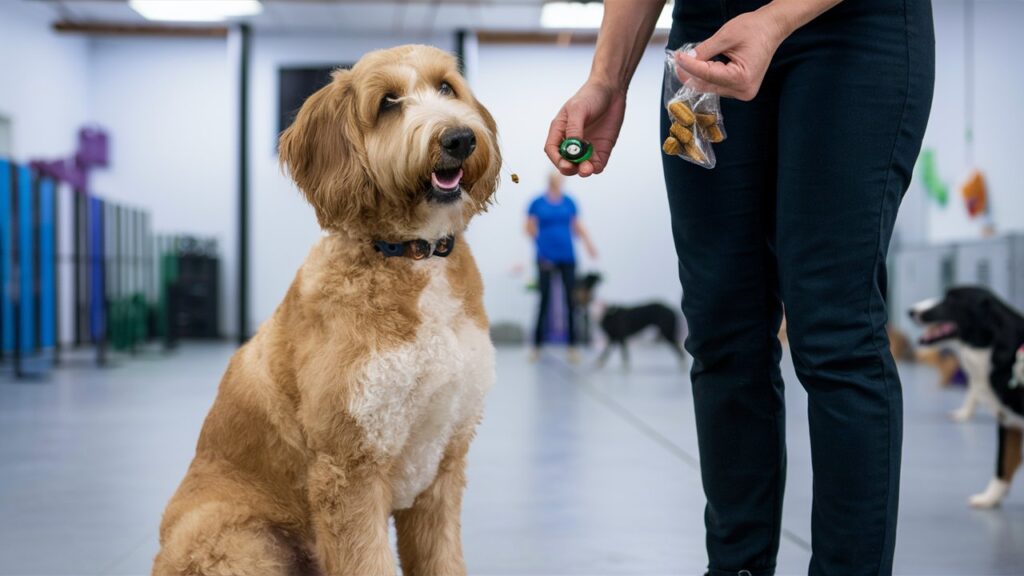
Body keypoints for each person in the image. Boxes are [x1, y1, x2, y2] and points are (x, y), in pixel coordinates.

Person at [545, 0, 934, 575]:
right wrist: (607, 78)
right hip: (706, 38)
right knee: (723, 329)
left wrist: (776, 19)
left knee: (834, 329)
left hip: (852, 30)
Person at [526, 172, 597, 363]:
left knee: (571, 302)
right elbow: (529, 228)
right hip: (545, 258)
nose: (558, 181)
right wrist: (541, 247)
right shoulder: (537, 203)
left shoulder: (569, 202)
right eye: (554, 178)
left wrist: (589, 245)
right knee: (544, 300)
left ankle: (573, 346)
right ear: (549, 181)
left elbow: (577, 225)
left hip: (567, 257)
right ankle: (536, 346)